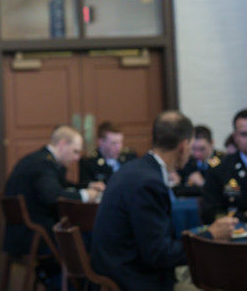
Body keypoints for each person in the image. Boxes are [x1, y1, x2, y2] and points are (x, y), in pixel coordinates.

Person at [91, 110, 237, 291]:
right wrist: (210, 235)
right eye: (192, 146)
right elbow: (159, 254)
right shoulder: (147, 182)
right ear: (183, 147)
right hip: (132, 278)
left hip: (117, 266)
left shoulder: (136, 169)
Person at [3, 126, 103, 263]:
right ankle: (83, 282)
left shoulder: (41, 159)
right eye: (75, 151)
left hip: (22, 234)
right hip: (34, 237)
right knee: (89, 238)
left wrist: (88, 186)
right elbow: (52, 196)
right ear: (62, 144)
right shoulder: (43, 164)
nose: (77, 158)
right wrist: (85, 196)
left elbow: (62, 185)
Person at [201, 108, 247, 223]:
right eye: (244, 134)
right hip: (236, 235)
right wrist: (242, 217)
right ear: (235, 137)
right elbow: (210, 212)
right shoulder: (220, 169)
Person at [78, 121, 136, 187]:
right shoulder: (88, 161)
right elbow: (83, 184)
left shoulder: (130, 156)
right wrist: (91, 184)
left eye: (120, 142)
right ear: (101, 142)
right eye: (114, 143)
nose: (119, 147)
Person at [173, 124, 219, 197]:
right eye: (193, 148)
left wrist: (203, 184)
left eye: (202, 149)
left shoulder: (223, 162)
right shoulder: (186, 159)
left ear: (212, 143)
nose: (197, 154)